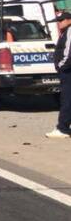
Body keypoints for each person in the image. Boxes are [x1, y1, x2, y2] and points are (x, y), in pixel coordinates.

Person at [46, 11, 71, 139]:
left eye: (61, 20)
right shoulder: (66, 32)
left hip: (67, 71)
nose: (59, 23)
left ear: (69, 20)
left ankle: (63, 128)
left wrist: (61, 66)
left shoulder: (70, 31)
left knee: (66, 100)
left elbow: (68, 52)